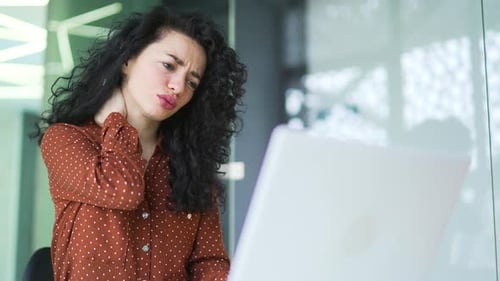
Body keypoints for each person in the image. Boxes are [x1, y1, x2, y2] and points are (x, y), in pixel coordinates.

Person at [33, 4, 246, 281]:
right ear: (128, 59)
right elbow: (122, 190)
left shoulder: (190, 166)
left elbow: (209, 262)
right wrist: (115, 120)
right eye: (169, 66)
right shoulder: (66, 140)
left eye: (192, 82)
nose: (178, 87)